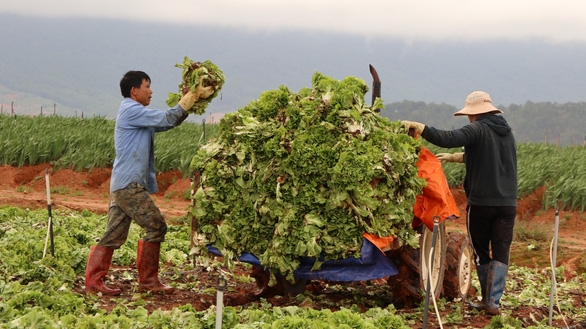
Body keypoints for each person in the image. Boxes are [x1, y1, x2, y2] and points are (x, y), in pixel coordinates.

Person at [85, 70, 214, 295]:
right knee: (156, 226)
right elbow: (167, 118)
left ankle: (94, 283)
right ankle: (148, 282)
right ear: (134, 91)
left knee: (113, 234)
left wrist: (186, 102)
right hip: (129, 185)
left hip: (123, 183)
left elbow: (167, 123)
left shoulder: (136, 112)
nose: (151, 91)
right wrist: (191, 96)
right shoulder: (131, 110)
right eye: (147, 86)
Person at [402, 91, 517, 315]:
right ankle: (494, 302)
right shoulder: (507, 132)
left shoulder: (477, 128)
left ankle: (486, 300)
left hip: (482, 203)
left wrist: (421, 127)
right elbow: (492, 155)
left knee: (482, 251)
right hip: (508, 203)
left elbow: (448, 138)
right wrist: (459, 157)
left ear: (475, 114)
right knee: (502, 250)